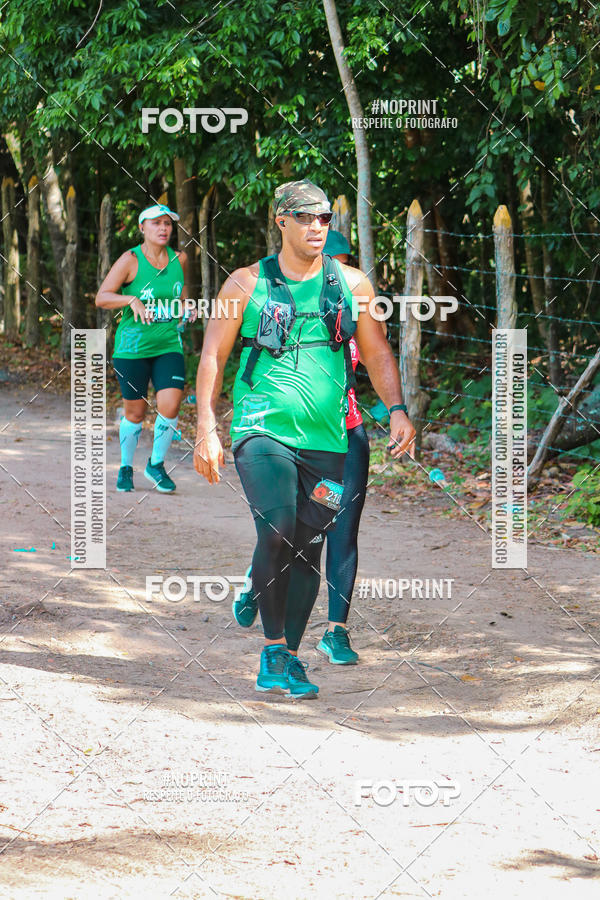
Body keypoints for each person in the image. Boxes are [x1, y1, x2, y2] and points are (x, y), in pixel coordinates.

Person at [193, 180, 415, 699]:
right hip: (261, 427)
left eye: (324, 219)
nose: (318, 227)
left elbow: (378, 352)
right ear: (281, 222)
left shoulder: (353, 284)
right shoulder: (245, 285)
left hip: (329, 439)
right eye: (306, 217)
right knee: (277, 528)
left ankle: (289, 657)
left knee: (308, 548)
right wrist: (206, 425)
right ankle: (271, 650)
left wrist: (399, 410)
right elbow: (212, 356)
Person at [232, 230, 372, 666]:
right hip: (287, 432)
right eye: (335, 262)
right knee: (284, 529)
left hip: (346, 431)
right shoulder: (281, 299)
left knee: (341, 530)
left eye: (345, 263)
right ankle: (259, 586)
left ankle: (336, 631)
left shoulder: (351, 303)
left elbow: (374, 352)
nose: (340, 273)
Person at [96, 203, 192, 494]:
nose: (163, 229)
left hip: (167, 344)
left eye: (167, 224)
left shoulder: (180, 258)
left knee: (171, 404)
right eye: (156, 223)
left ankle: (156, 464)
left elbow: (181, 294)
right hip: (132, 349)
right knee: (135, 414)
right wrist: (130, 300)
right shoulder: (130, 260)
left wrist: (186, 306)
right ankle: (126, 467)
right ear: (142, 228)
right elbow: (102, 297)